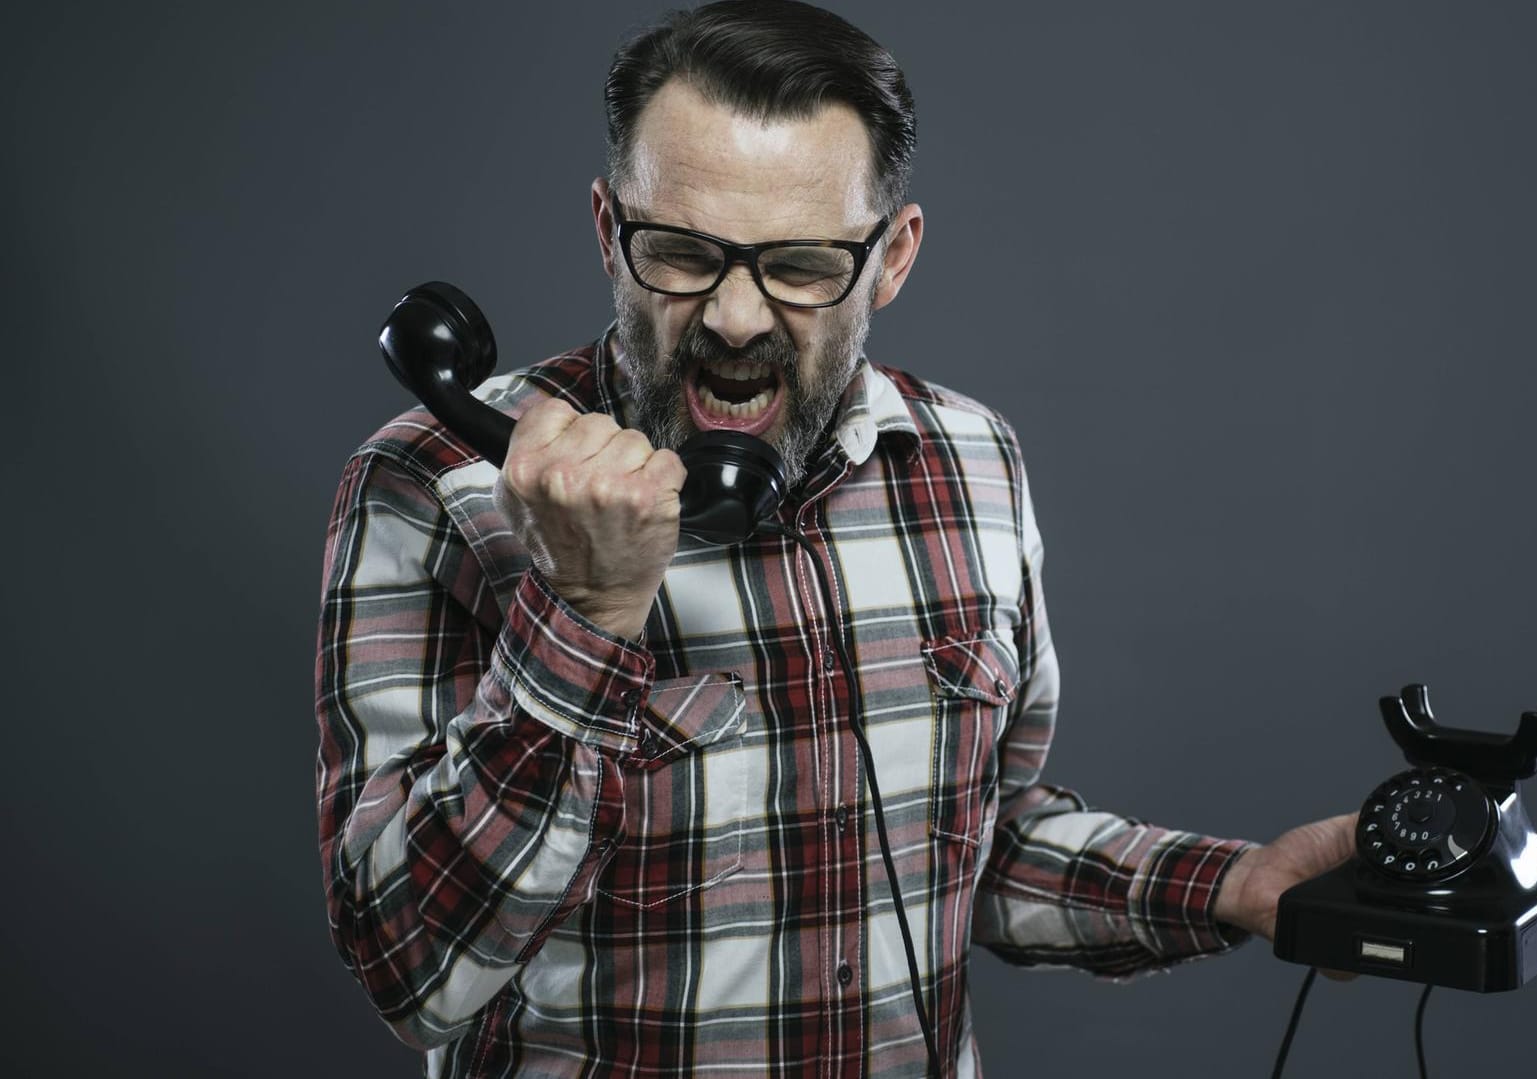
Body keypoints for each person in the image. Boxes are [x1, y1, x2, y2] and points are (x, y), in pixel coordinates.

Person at [313, 2, 1355, 1075]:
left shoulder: (971, 463)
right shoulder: (430, 484)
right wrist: (583, 614)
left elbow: (976, 843)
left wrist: (1236, 884)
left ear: (891, 258)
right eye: (678, 253)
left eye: (801, 267)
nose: (733, 319)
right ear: (606, 231)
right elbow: (408, 966)